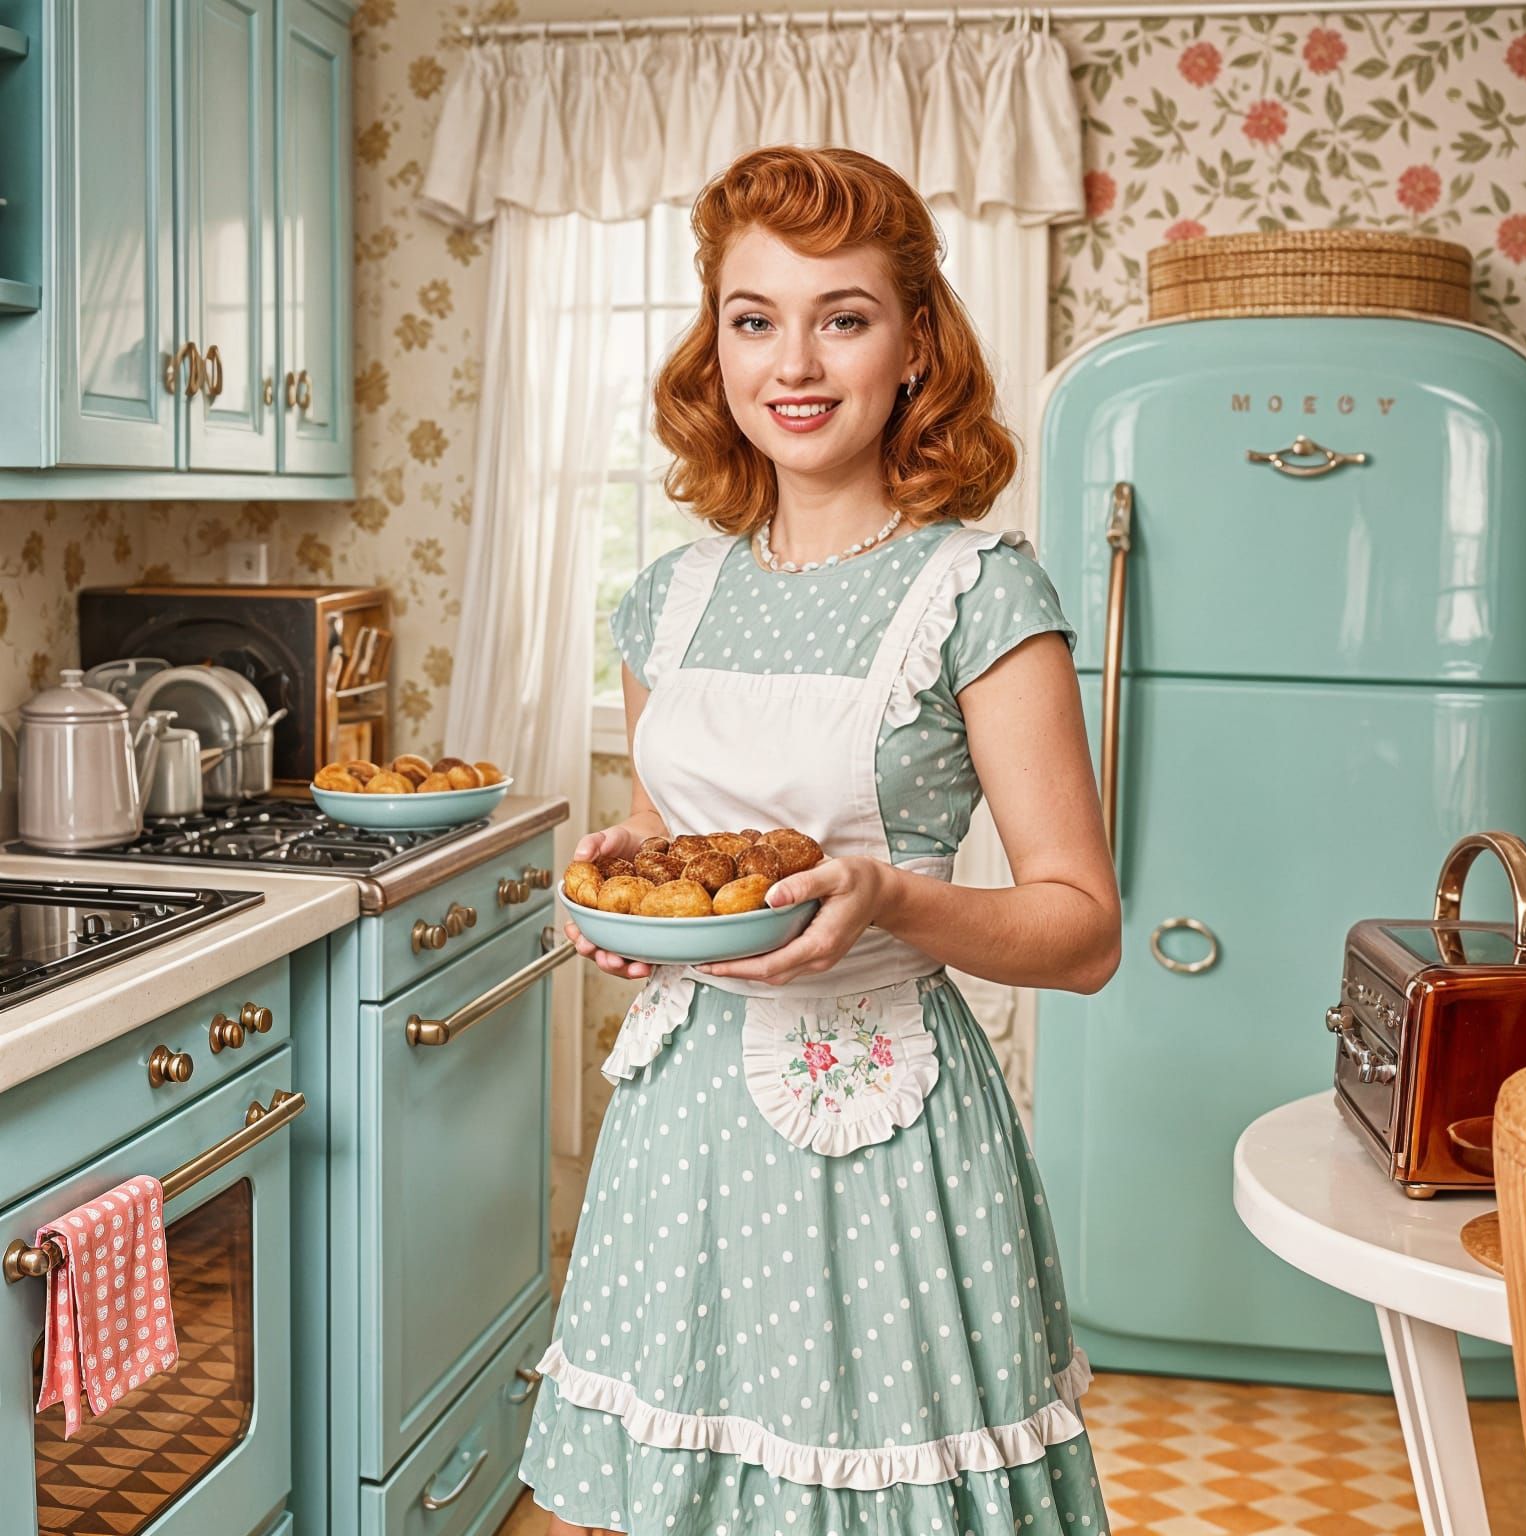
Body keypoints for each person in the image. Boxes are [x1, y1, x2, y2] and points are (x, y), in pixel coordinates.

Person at [518, 144, 1121, 1536]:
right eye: (754, 319)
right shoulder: (666, 600)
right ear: (716, 346)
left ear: (915, 347)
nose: (792, 363)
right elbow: (673, 840)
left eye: (842, 317)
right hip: (679, 1127)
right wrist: (626, 887)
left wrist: (887, 897)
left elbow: (1083, 932)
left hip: (883, 1129)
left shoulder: (979, 590)